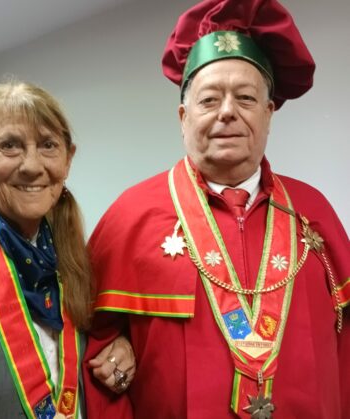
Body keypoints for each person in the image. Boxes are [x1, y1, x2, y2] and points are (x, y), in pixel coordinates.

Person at [83, 0, 350, 418]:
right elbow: (87, 350)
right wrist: (113, 358)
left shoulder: (314, 212)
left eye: (245, 98)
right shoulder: (128, 218)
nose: (227, 111)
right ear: (183, 117)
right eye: (209, 100)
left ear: (268, 114)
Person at [0, 81, 135, 418]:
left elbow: (99, 343)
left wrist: (122, 348)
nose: (31, 165)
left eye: (48, 145)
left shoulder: (75, 257)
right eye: (10, 145)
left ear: (68, 159)